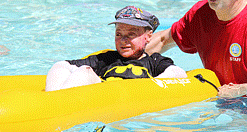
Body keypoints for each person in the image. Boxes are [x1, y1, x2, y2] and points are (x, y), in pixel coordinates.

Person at [45, 6, 187, 91]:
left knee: (83, 72)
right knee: (73, 69)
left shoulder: (154, 62)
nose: (123, 40)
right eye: (119, 34)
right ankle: (51, 102)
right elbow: (64, 65)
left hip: (131, 100)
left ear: (148, 36)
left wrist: (150, 88)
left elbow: (177, 73)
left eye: (131, 34)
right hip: (100, 97)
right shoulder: (106, 59)